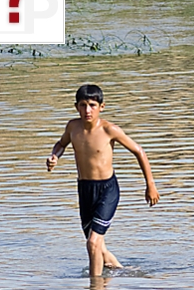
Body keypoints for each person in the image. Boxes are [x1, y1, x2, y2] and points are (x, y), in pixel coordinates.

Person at [46, 84, 160, 278]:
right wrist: (54, 156)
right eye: (82, 105)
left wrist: (150, 185)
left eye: (92, 105)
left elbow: (139, 151)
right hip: (85, 190)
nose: (87, 110)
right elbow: (61, 144)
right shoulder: (73, 127)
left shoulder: (109, 130)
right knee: (99, 249)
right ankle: (127, 274)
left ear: (101, 107)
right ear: (76, 107)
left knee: (92, 243)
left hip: (107, 189)